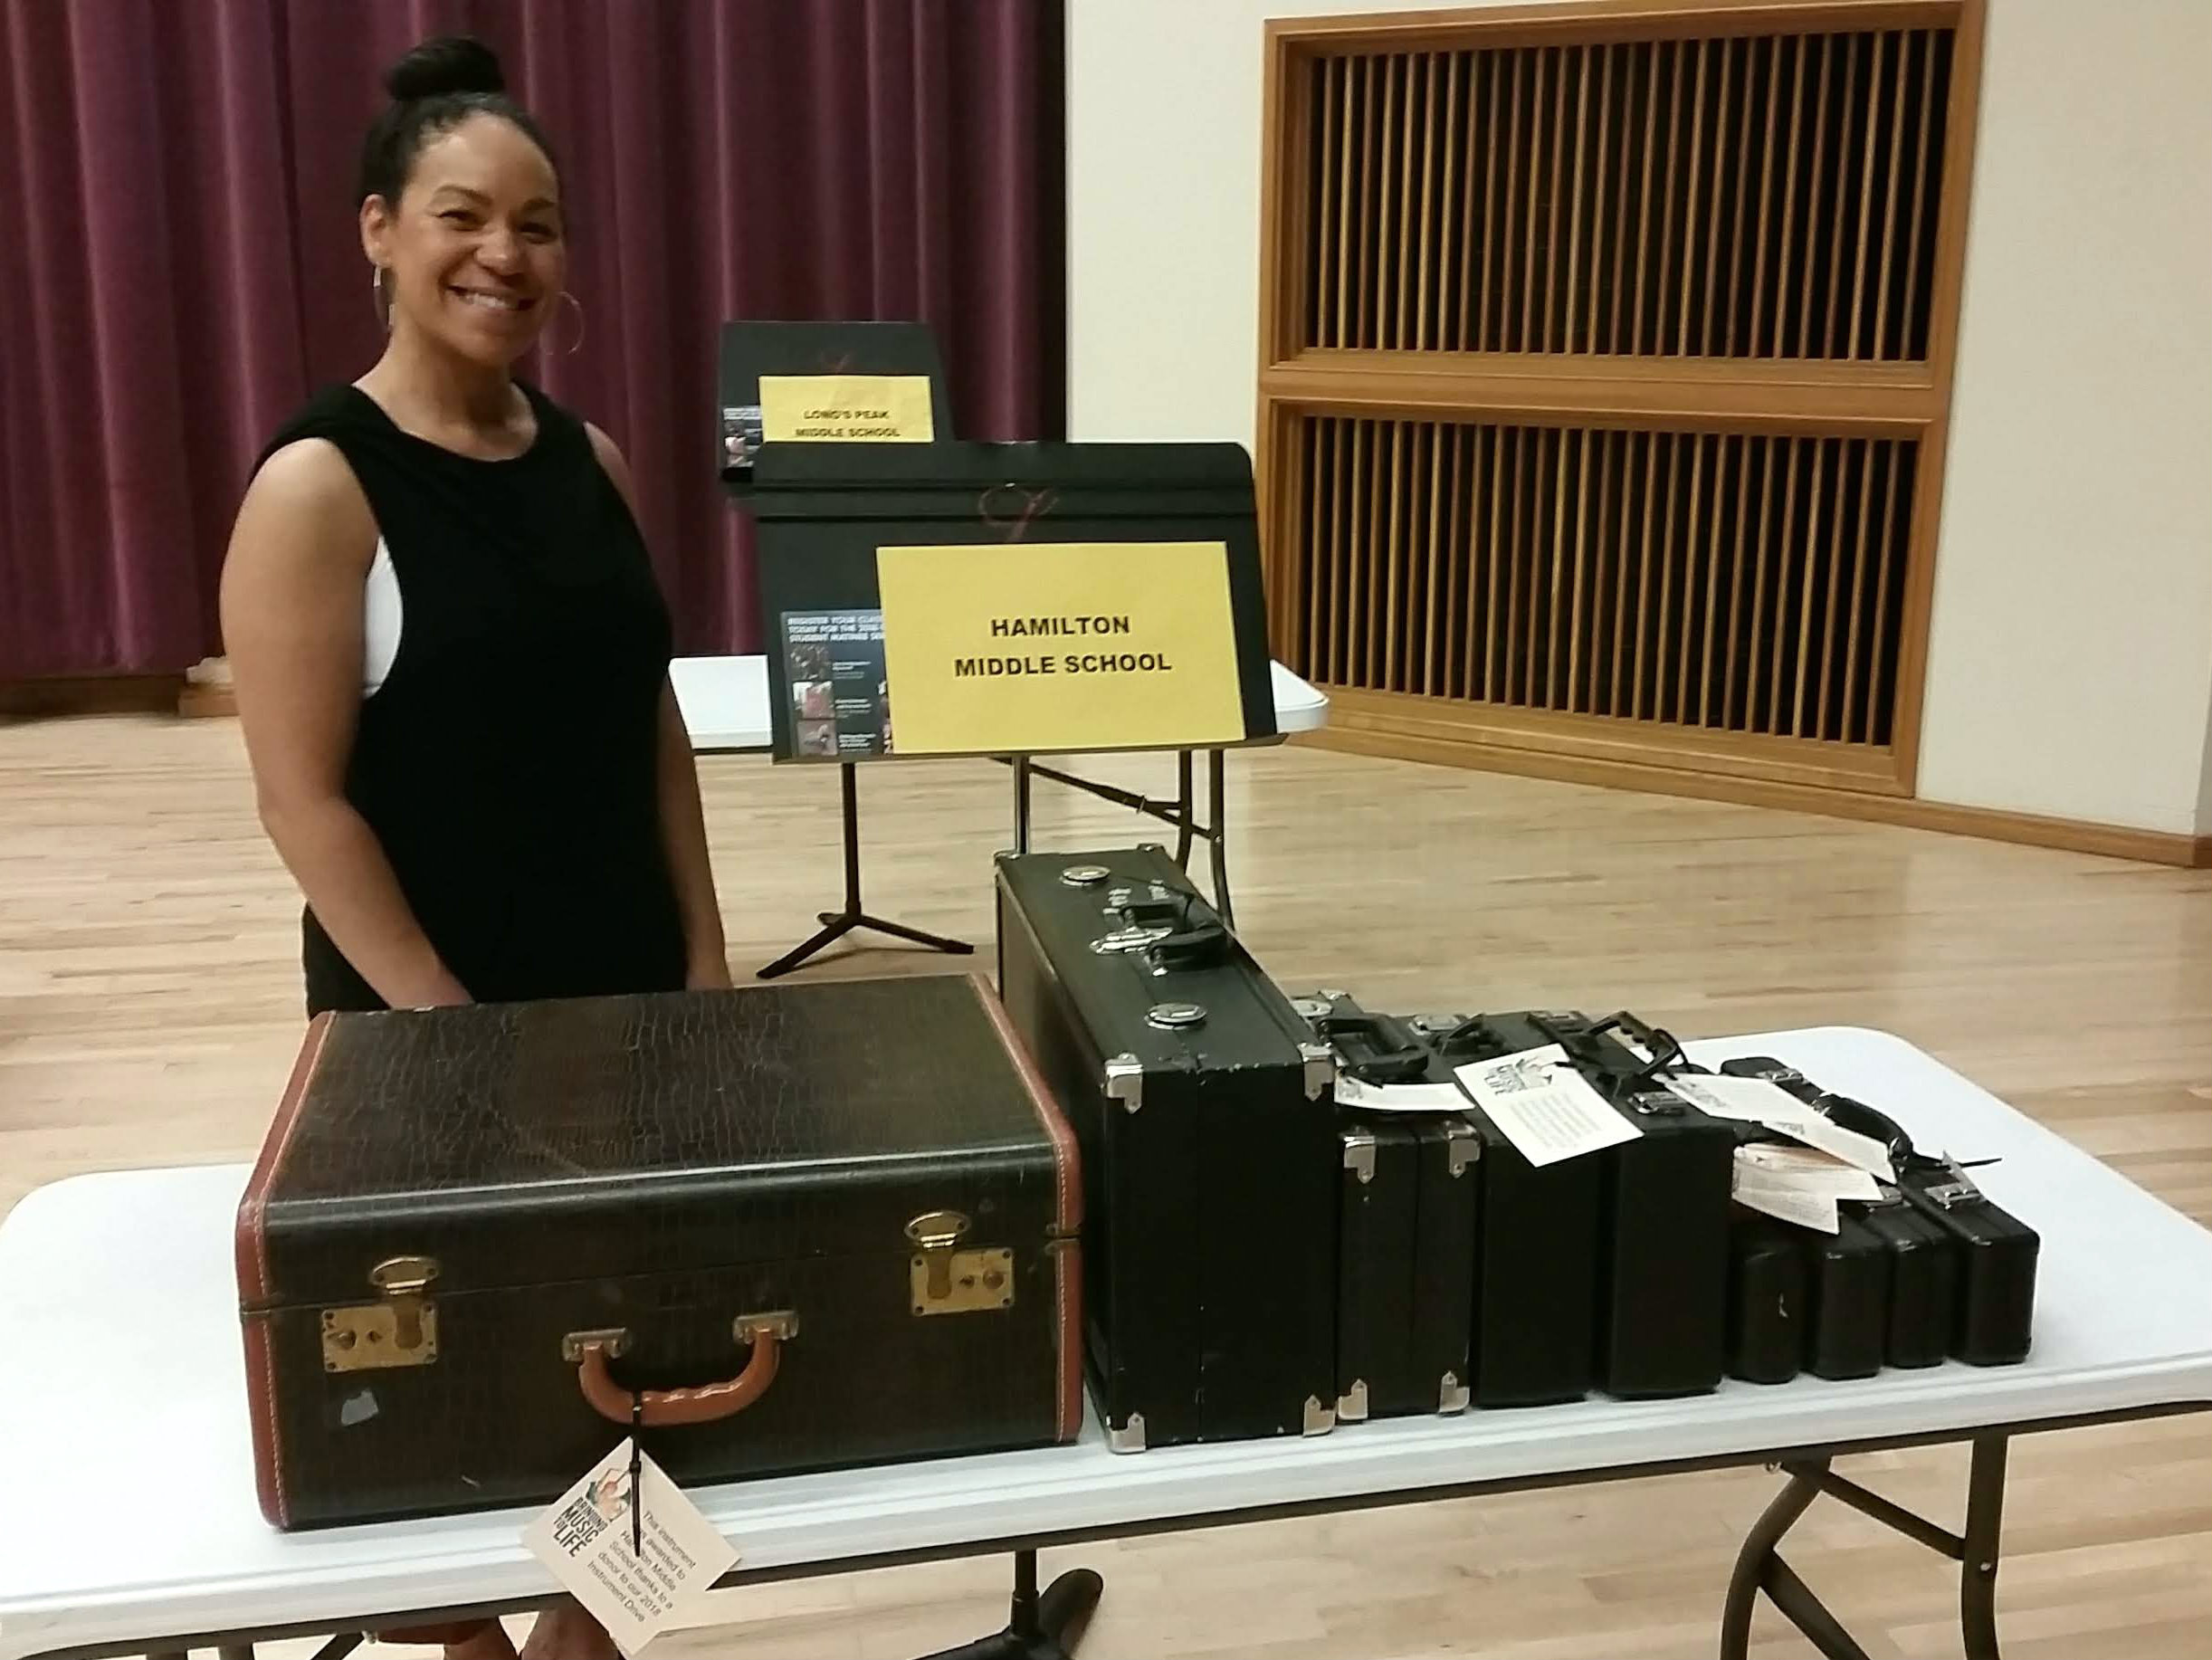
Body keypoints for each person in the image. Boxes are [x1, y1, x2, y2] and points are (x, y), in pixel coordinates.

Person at [219, 34, 725, 1660]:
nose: (504, 254)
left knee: (669, 1348)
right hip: (425, 1028)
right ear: (377, 231)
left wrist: (708, 960)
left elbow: (648, 726)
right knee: (435, 1369)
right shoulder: (318, 487)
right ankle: (466, 1645)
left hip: (626, 999)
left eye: (540, 223)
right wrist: (445, 1031)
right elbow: (302, 800)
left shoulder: (592, 463)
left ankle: (586, 1638)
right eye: (460, 215)